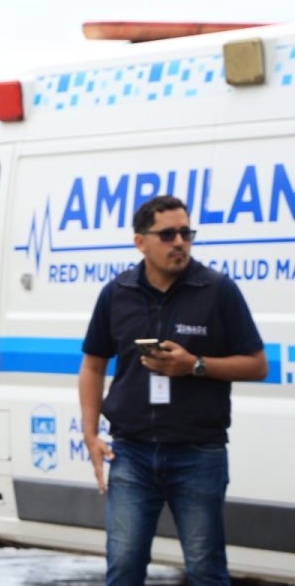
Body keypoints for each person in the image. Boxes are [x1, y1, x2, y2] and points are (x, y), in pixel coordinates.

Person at [78, 195, 268, 585]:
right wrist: (89, 433)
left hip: (198, 452)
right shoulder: (117, 293)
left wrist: (195, 365)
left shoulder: (217, 290)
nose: (179, 241)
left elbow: (257, 364)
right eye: (167, 234)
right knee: (124, 568)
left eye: (186, 232)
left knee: (205, 569)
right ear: (140, 241)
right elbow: (93, 364)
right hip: (131, 451)